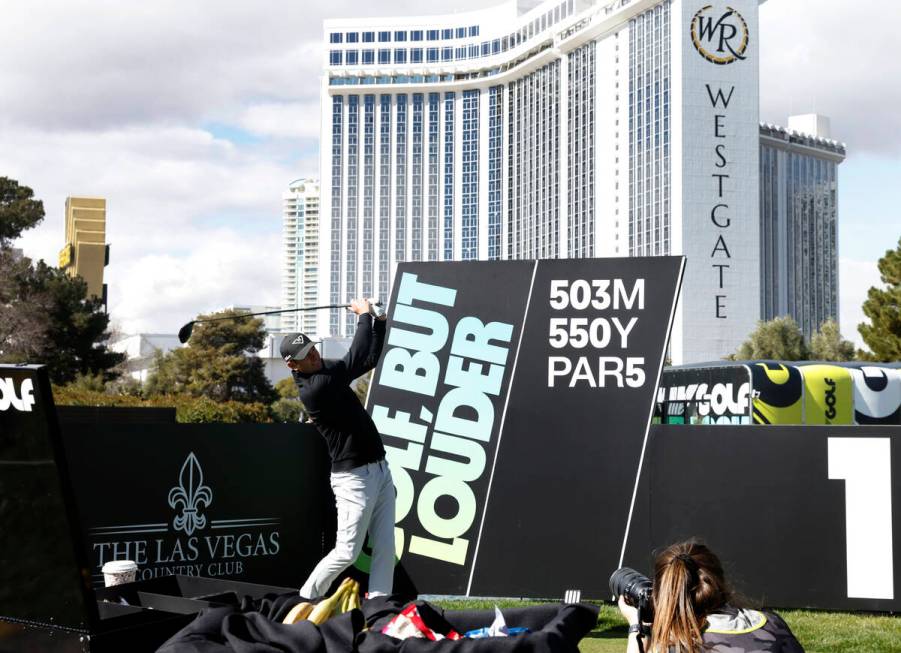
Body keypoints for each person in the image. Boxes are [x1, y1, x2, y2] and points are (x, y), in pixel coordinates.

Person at [280, 298, 395, 599]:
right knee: (347, 552)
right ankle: (303, 600)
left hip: (380, 470)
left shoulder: (325, 371)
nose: (315, 355)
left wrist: (379, 323)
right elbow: (356, 355)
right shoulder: (315, 388)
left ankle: (381, 608)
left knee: (385, 548)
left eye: (313, 348)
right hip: (354, 479)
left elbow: (367, 360)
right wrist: (364, 316)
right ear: (293, 365)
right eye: (306, 355)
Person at [617, 540, 804, 653]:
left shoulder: (674, 645)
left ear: (663, 594)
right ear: (720, 580)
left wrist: (636, 626)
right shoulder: (771, 625)